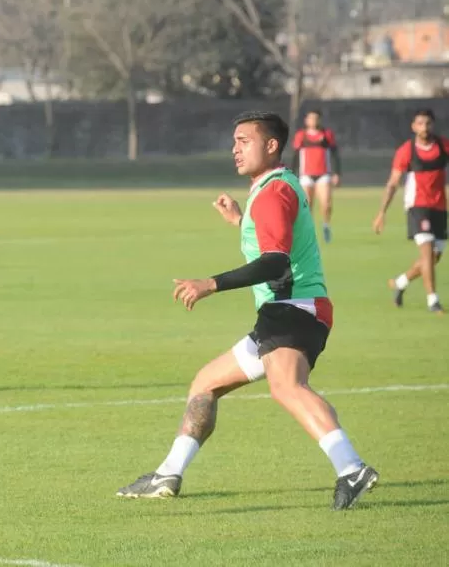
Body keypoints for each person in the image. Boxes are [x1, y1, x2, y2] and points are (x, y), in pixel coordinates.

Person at [117, 111, 378, 511]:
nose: (234, 149)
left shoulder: (274, 191)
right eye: (234, 141)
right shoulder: (274, 188)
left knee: (287, 387)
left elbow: (276, 261)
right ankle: (169, 473)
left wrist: (211, 284)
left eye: (244, 141)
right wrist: (241, 220)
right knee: (205, 384)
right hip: (286, 310)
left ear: (271, 145)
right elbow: (272, 241)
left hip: (293, 308)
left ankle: (352, 467)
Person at [374, 108, 447, 314]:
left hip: (440, 207)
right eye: (420, 123)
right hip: (417, 206)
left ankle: (401, 282)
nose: (424, 127)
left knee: (433, 257)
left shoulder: (443, 146)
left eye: (428, 123)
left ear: (433, 125)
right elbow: (393, 183)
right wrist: (382, 212)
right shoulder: (407, 151)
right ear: (414, 127)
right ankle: (433, 300)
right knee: (427, 250)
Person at [291, 110, 341, 243]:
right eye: (311, 118)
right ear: (306, 121)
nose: (313, 121)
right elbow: (295, 156)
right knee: (308, 205)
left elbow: (335, 154)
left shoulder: (327, 134)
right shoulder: (301, 136)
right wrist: (292, 174)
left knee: (326, 204)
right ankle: (309, 232)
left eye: (316, 118)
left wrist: (337, 173)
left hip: (323, 174)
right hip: (306, 175)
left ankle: (326, 225)